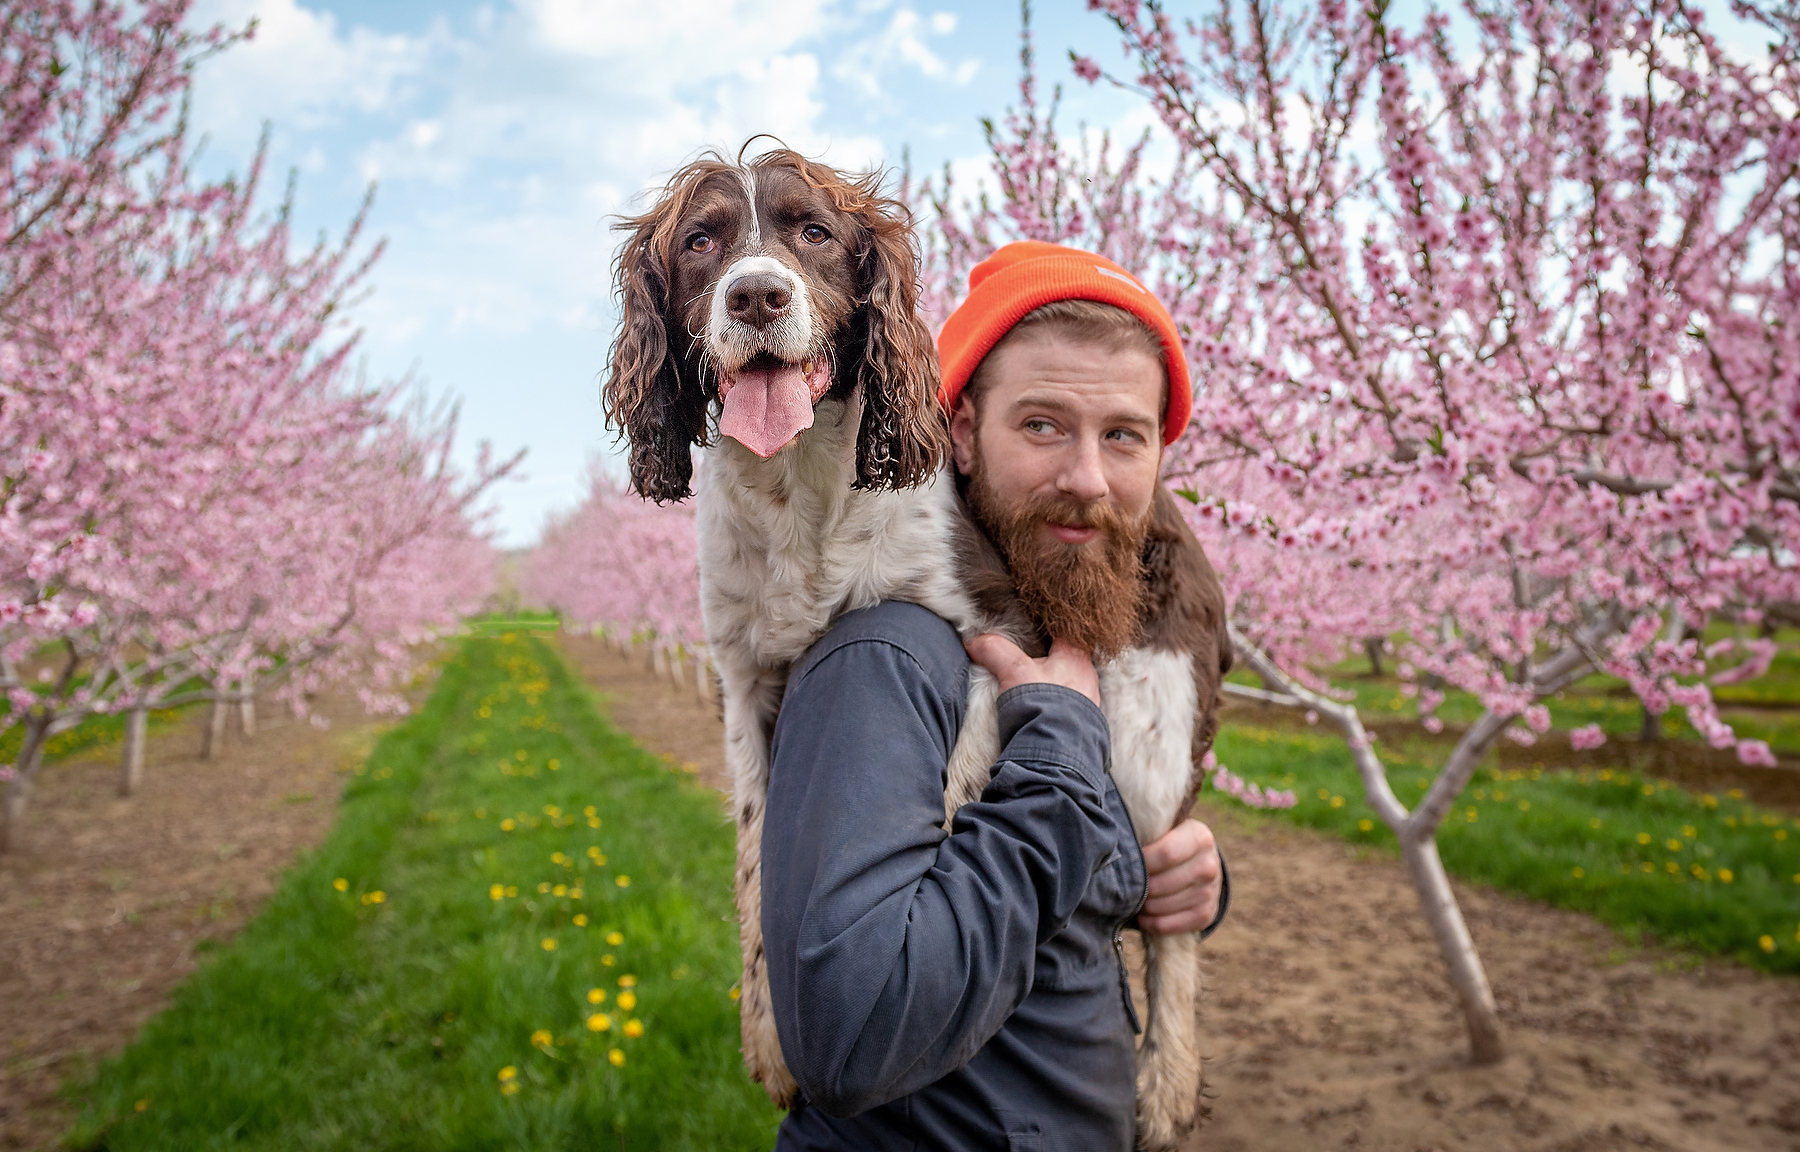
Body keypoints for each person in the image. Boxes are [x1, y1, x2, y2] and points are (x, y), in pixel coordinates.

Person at [762, 241, 1227, 1150]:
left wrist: (1164, 882)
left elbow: (1028, 898)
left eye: (1124, 435)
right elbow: (851, 1035)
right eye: (1044, 426)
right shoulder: (885, 656)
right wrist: (1055, 751)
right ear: (964, 433)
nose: (1088, 479)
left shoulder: (1082, 645)